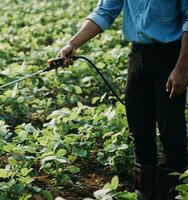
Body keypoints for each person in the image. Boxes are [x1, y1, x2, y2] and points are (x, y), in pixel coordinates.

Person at [58, 1, 188, 199]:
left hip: (171, 58)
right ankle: (144, 193)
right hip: (138, 57)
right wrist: (73, 44)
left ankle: (175, 192)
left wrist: (182, 67)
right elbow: (104, 11)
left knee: (172, 131)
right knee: (139, 130)